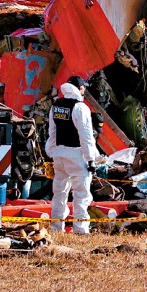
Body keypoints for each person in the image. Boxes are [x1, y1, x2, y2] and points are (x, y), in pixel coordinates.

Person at [45, 76, 98, 235]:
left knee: (59, 193)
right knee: (81, 194)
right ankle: (81, 229)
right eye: (84, 88)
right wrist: (91, 160)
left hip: (59, 154)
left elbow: (51, 133)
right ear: (80, 88)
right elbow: (86, 137)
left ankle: (56, 228)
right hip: (76, 155)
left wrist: (52, 152)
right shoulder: (81, 108)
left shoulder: (56, 106)